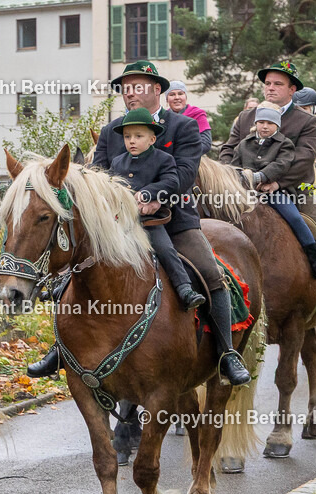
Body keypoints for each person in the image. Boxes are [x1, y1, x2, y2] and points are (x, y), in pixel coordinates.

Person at [30, 60, 251, 386]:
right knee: (74, 273)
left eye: (137, 87)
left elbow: (186, 173)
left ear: (157, 90)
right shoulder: (111, 131)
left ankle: (226, 354)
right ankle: (59, 350)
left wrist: (155, 196)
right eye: (124, 88)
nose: (129, 93)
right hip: (119, 226)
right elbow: (97, 177)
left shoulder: (183, 127)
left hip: (174, 220)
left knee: (211, 275)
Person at [220, 60, 316, 323]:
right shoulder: (245, 117)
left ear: (292, 90)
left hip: (293, 191)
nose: (271, 88)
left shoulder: (306, 121)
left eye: (278, 84)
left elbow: (303, 159)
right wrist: (236, 178)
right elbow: (227, 151)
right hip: (244, 192)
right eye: (267, 83)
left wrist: (276, 182)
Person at [109, 107, 206, 310]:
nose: (132, 141)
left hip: (148, 222)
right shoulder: (117, 161)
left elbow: (171, 181)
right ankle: (63, 284)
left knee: (165, 249)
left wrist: (148, 193)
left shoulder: (164, 159)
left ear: (152, 139)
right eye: (127, 137)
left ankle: (184, 288)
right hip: (120, 222)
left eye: (138, 136)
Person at [231, 101, 316, 280]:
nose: (265, 126)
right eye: (261, 122)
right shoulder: (243, 145)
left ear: (277, 125)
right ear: (255, 124)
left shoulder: (284, 144)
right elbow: (234, 165)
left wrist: (261, 177)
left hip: (274, 192)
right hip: (245, 192)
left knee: (294, 216)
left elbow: (282, 164)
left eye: (270, 123)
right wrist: (240, 179)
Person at [165, 80, 213, 151]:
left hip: (194, 158)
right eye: (172, 94)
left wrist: (187, 154)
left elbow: (206, 143)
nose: (177, 97)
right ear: (167, 99)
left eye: (180, 94)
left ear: (186, 97)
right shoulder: (164, 118)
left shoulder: (197, 114)